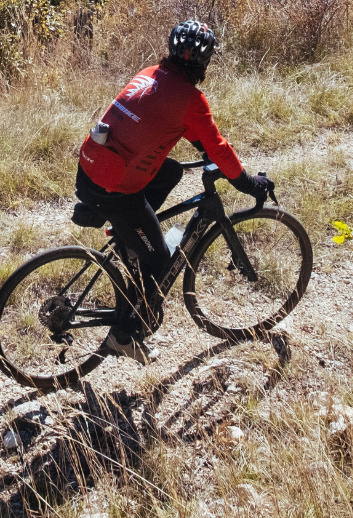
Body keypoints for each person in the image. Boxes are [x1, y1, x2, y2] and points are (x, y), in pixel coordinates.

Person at [74, 19, 273, 364]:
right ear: (204, 63)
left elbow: (175, 125)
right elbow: (218, 147)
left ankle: (130, 237)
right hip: (114, 189)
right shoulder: (190, 99)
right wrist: (248, 183)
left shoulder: (150, 73)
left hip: (91, 167)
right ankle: (123, 336)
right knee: (159, 261)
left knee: (171, 171)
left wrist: (204, 149)